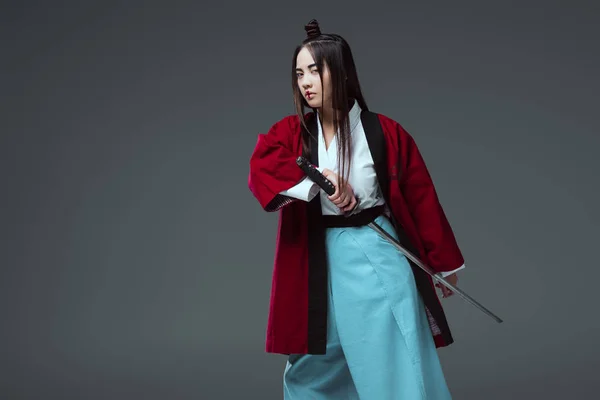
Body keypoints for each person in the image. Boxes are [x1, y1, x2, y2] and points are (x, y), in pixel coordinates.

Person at [248, 18, 465, 399]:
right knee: (314, 359)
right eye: (300, 73)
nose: (306, 82)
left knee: (387, 351)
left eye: (316, 70)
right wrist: (320, 176)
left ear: (343, 72)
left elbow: (421, 197)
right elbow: (263, 166)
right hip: (314, 257)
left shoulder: (385, 132)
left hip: (374, 252)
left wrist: (442, 263)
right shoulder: (290, 133)